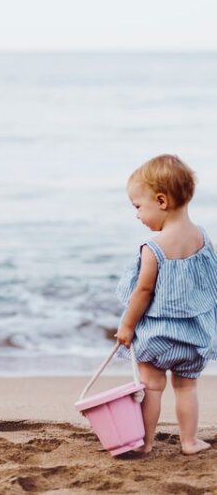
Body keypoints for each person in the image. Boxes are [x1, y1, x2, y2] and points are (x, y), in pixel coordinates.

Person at [115, 154, 217, 454]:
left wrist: (127, 326)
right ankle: (189, 441)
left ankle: (145, 443)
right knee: (186, 388)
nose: (137, 215)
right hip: (193, 337)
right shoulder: (203, 238)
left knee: (152, 388)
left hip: (158, 338)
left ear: (161, 201)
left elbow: (143, 291)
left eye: (138, 207)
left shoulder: (154, 248)